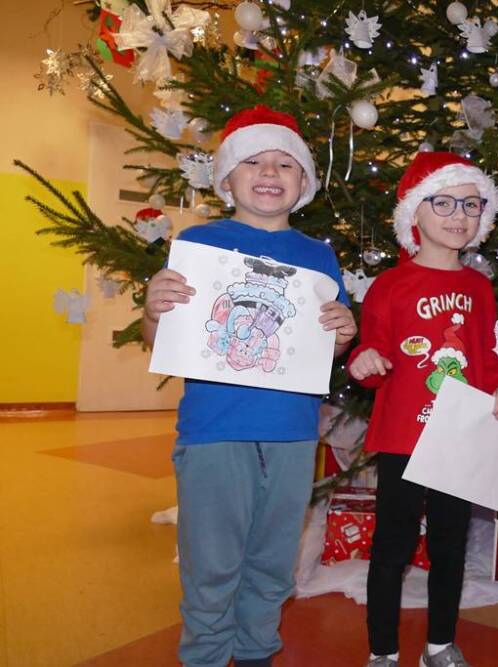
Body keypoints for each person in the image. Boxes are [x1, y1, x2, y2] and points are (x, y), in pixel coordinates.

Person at [142, 104, 357, 667]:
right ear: (226, 178)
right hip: (214, 433)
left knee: (273, 559)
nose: (269, 172)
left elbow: (326, 346)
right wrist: (153, 310)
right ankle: (206, 656)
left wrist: (341, 334)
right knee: (210, 562)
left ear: (303, 183)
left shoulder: (318, 256)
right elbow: (161, 339)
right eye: (253, 161)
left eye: (285, 164)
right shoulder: (199, 244)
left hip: (292, 436)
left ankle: (258, 650)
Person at [347, 151, 498, 667]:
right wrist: (365, 361)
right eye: (443, 202)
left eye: (471, 204)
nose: (458, 215)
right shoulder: (389, 286)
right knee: (392, 548)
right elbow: (371, 353)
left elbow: (485, 357)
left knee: (450, 546)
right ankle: (382, 650)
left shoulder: (479, 288)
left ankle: (440, 643)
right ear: (414, 213)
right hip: (403, 437)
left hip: (459, 440)